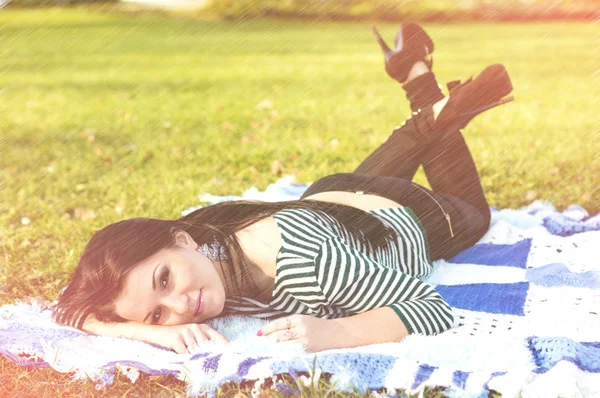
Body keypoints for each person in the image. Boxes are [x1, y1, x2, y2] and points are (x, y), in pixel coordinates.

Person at [53, 23, 514, 354]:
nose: (179, 307)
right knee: (424, 128)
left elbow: (430, 309)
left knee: (477, 214)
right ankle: (423, 87)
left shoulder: (305, 269)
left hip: (417, 217)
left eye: (165, 280)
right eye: (157, 312)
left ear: (180, 240)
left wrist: (337, 334)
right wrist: (148, 333)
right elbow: (69, 309)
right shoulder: (207, 233)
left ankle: (434, 104)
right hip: (333, 196)